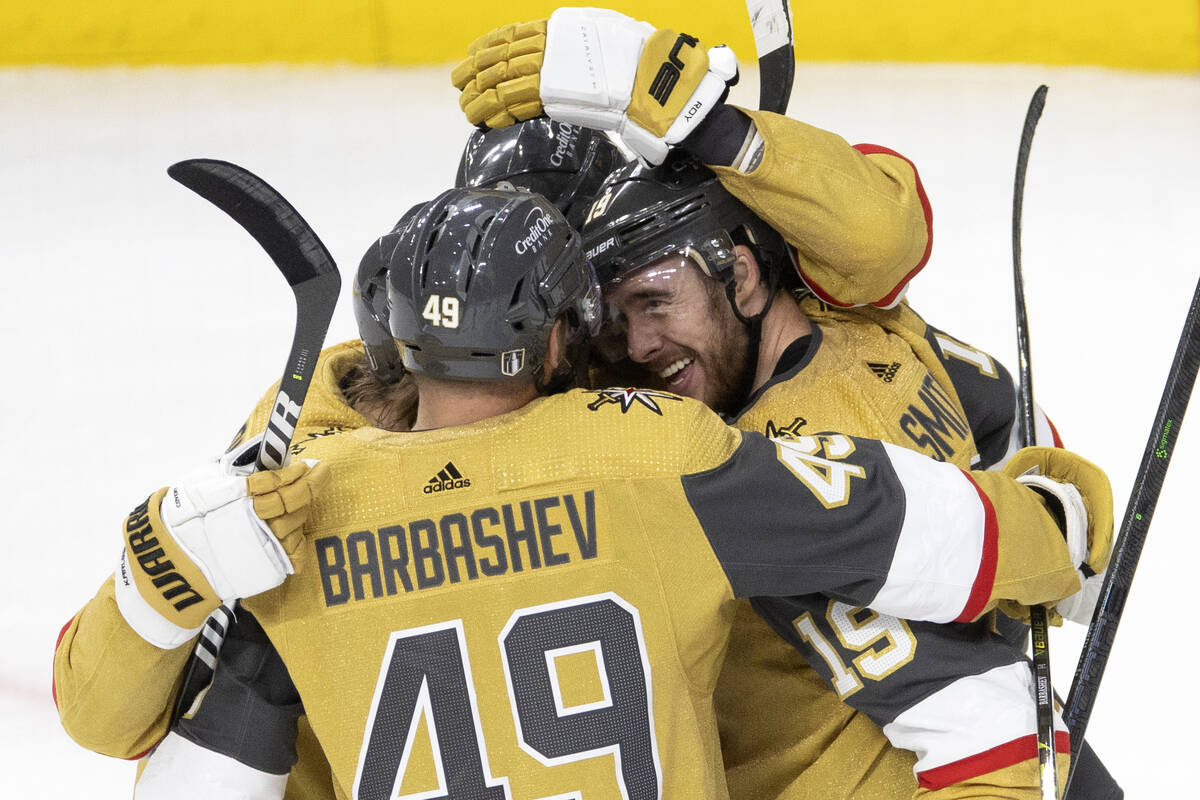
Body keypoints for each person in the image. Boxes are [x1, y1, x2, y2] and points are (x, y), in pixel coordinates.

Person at [89, 185, 1109, 800]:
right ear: (563, 331)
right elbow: (930, 533)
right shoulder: (658, 455)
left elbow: (108, 722)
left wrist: (162, 562)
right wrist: (1057, 527)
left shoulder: (299, 501)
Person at [582, 152, 1118, 798]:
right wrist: (1049, 547)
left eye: (655, 302)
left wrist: (1052, 539)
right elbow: (1010, 426)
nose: (637, 345)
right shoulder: (858, 353)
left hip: (970, 742)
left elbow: (973, 712)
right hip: (984, 743)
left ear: (743, 276)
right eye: (622, 318)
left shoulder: (840, 370)